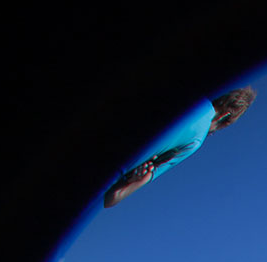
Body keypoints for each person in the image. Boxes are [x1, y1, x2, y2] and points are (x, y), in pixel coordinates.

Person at [103, 88, 255, 207]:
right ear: (224, 117)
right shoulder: (195, 141)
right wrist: (134, 178)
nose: (213, 133)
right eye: (219, 128)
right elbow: (113, 198)